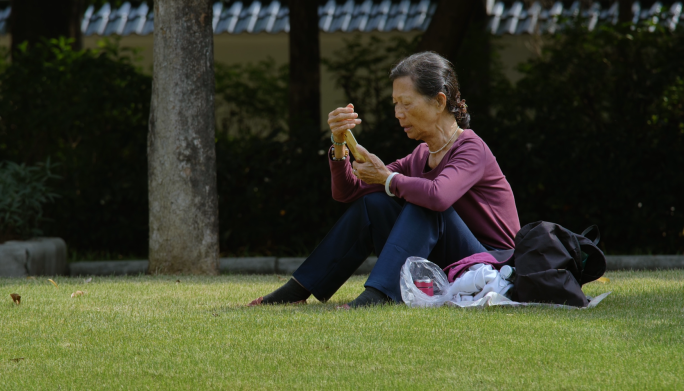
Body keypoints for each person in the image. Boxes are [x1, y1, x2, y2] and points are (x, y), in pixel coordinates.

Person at [248, 52, 520, 308]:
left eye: (406, 103)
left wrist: (389, 179)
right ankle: (297, 291)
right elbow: (349, 192)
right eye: (395, 104)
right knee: (374, 204)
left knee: (423, 202)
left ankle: (378, 295)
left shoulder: (471, 148)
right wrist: (341, 145)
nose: (398, 114)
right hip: (451, 264)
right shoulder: (421, 155)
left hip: (491, 267)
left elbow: (438, 195)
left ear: (439, 101)